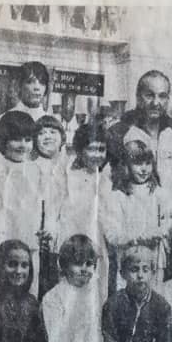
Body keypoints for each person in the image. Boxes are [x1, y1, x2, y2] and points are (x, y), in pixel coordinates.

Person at [0, 112, 45, 296]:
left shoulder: (37, 172)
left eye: (28, 139)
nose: (23, 145)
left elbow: (43, 211)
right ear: (3, 141)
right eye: (16, 139)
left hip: (28, 250)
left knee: (25, 300)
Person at [104, 139, 172, 289]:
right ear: (126, 166)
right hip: (128, 260)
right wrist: (137, 237)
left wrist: (163, 231)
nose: (143, 169)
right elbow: (111, 234)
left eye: (147, 164)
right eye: (137, 164)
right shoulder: (117, 197)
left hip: (155, 260)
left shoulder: (160, 194)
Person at [53, 121, 112, 304]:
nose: (97, 155)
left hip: (96, 242)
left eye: (101, 149)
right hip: (70, 240)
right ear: (80, 149)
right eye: (91, 149)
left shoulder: (105, 178)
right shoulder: (67, 174)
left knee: (95, 292)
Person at [107, 70, 172, 200]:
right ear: (138, 97)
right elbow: (108, 180)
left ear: (168, 99)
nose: (156, 102)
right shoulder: (119, 132)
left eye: (162, 96)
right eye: (149, 95)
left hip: (168, 213)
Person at [0, 61, 51, 129]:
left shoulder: (52, 123)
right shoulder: (1, 121)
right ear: (19, 85)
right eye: (30, 82)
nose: (37, 87)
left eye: (42, 82)